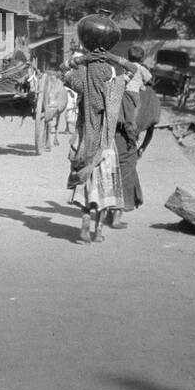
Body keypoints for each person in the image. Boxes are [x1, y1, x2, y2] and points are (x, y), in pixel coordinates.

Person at [63, 47, 137, 244]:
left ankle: (84, 229)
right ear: (107, 74)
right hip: (106, 149)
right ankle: (99, 231)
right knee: (104, 192)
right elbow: (133, 69)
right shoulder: (114, 88)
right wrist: (111, 57)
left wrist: (83, 59)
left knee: (87, 190)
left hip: (85, 146)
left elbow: (64, 69)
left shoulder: (81, 86)